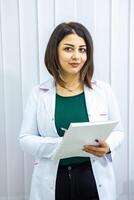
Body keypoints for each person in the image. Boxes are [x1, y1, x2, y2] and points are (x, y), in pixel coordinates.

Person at [19, 22, 124, 200]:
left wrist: (108, 147)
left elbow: (118, 132)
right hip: (53, 179)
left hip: (92, 178)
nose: (77, 56)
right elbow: (25, 139)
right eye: (68, 49)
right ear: (55, 51)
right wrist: (61, 145)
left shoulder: (103, 90)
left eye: (82, 50)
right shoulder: (39, 93)